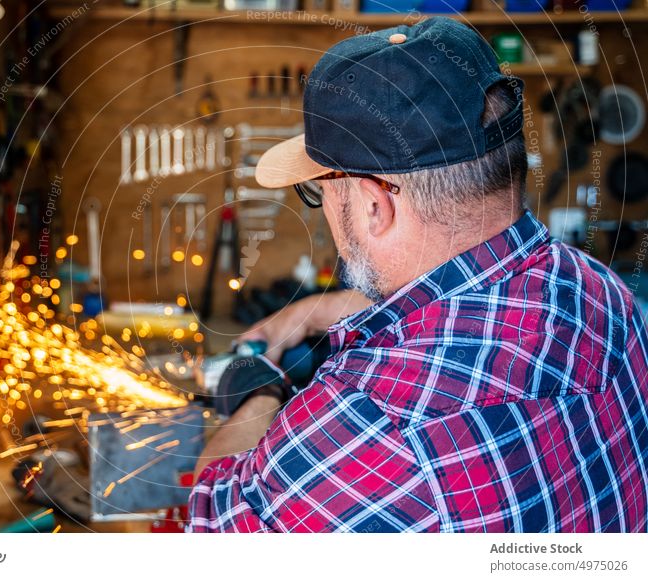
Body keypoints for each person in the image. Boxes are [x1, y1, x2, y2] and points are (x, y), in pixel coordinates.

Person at [187, 17, 648, 532]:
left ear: (374, 205)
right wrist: (315, 312)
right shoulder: (602, 293)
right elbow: (473, 305)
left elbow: (210, 522)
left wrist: (256, 391)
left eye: (318, 190)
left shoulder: (374, 426)